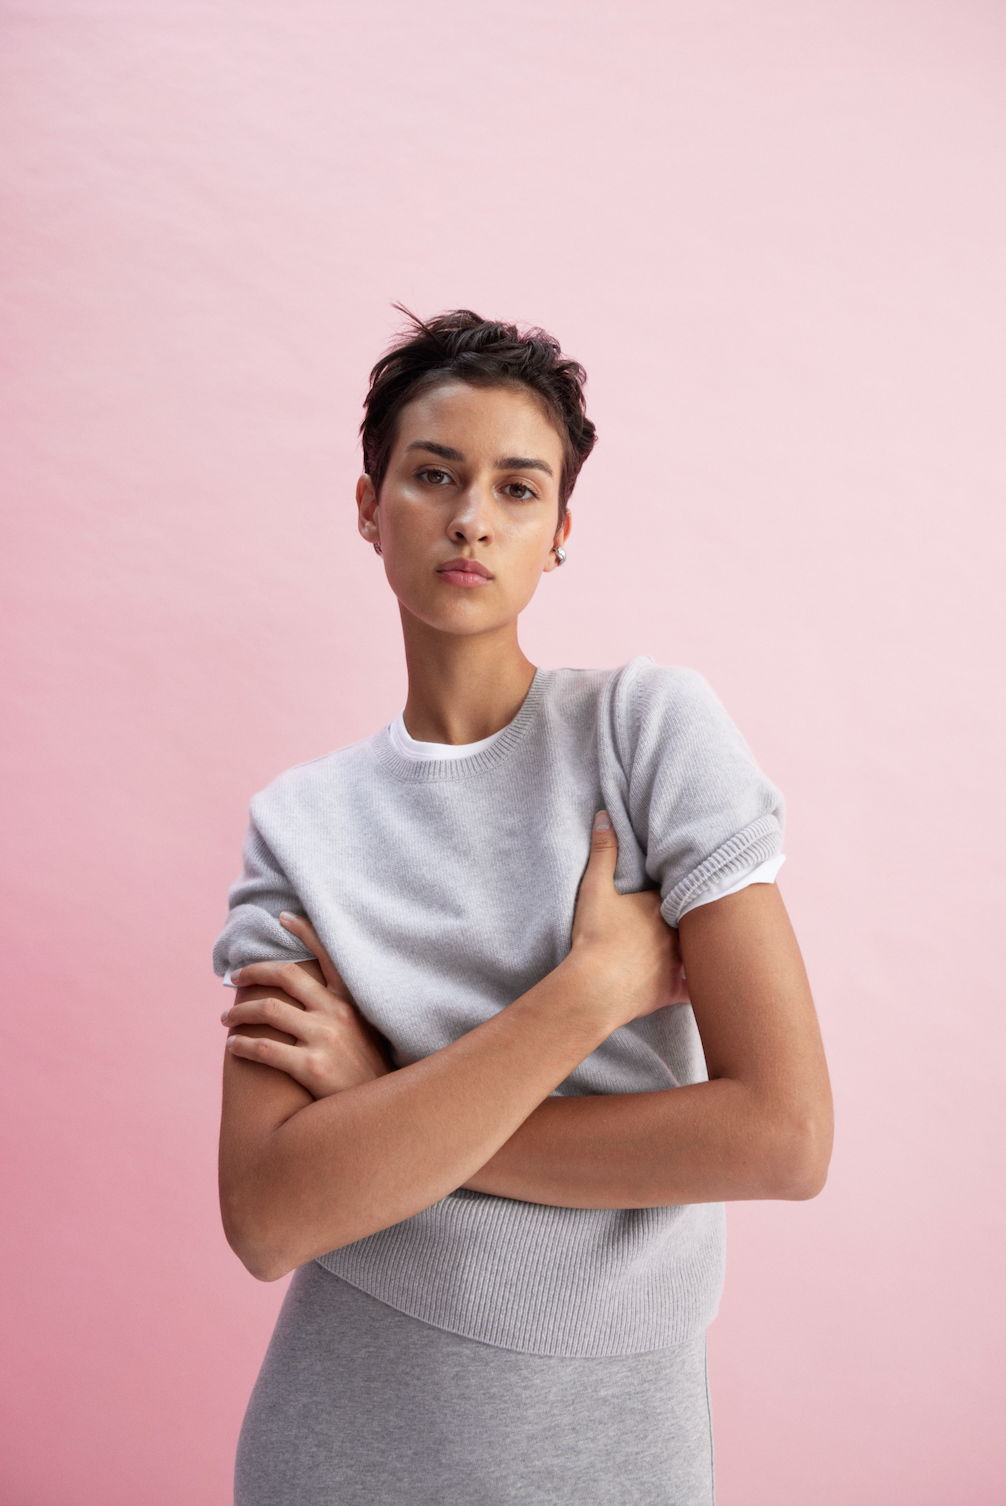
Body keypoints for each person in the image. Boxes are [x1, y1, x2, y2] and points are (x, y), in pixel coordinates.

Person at [214, 309, 833, 1506]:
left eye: (516, 487)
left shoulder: (645, 732)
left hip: (614, 1443)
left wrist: (381, 1108)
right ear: (368, 506)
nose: (471, 518)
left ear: (559, 533)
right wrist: (584, 997)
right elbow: (271, 1214)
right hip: (340, 1441)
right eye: (432, 475)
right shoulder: (301, 826)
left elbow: (783, 1136)